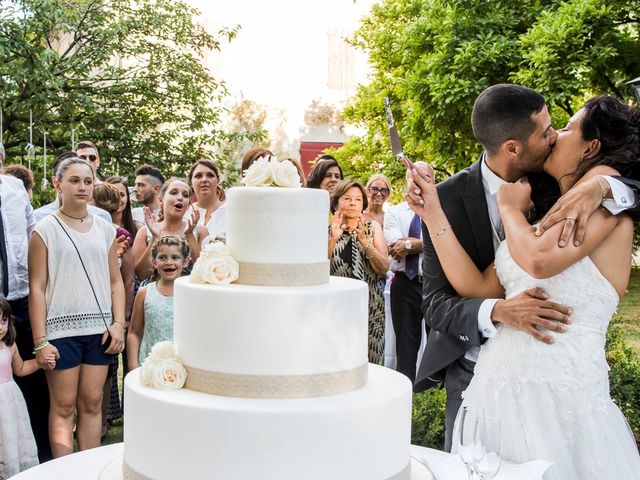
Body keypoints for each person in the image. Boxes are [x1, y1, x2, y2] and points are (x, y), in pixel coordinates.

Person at [409, 94, 640, 478]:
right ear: (512, 147)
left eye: (565, 128)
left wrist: (509, 210)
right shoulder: (554, 197)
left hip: (558, 397)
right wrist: (431, 210)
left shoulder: (602, 195)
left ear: (592, 147)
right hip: (492, 392)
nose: (554, 136)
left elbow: (536, 260)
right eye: (551, 129)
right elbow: (473, 286)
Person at [28, 157, 126, 457]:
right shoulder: (44, 230)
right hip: (59, 333)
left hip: (100, 331)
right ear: (58, 184)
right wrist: (40, 341)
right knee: (63, 406)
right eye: (74, 180)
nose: (82, 187)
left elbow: (115, 282)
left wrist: (118, 323)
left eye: (87, 180)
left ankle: (87, 469)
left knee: (92, 403)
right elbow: (37, 288)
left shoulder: (105, 228)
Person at [0, 143, 52, 462]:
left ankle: (38, 454)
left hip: (20, 298)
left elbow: (33, 235)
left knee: (34, 383)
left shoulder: (16, 187)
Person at [329, 180, 389, 364]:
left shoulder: (372, 228)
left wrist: (364, 242)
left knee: (371, 357)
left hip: (370, 304)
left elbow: (383, 267)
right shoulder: (326, 232)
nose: (353, 203)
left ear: (363, 204)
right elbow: (319, 267)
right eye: (347, 198)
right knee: (338, 355)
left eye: (357, 199)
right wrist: (334, 239)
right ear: (336, 202)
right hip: (336, 306)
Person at [0, 298, 55, 477]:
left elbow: (21, 368)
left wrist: (41, 363)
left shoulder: (9, 345)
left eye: (3, 320)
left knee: (10, 436)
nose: (1, 326)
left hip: (10, 402)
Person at [384, 168, 424, 384]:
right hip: (404, 286)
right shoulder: (394, 213)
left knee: (439, 343)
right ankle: (405, 393)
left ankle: (433, 393)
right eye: (414, 177)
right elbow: (395, 246)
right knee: (406, 347)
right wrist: (423, 244)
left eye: (425, 178)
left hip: (434, 285)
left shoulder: (441, 213)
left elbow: (443, 243)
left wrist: (412, 244)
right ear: (407, 181)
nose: (419, 183)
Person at [127, 236, 190, 369]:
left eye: (175, 257)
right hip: (150, 363)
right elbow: (134, 332)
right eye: (162, 257)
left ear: (185, 262)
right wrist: (133, 365)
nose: (168, 262)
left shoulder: (191, 294)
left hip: (182, 364)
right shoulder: (144, 292)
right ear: (154, 262)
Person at [132, 178, 206, 281]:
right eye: (174, 193)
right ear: (161, 199)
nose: (180, 197)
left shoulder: (200, 231)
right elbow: (141, 275)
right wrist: (155, 238)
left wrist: (189, 235)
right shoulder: (145, 231)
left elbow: (204, 271)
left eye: (185, 195)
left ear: (189, 204)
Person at [33, 152, 112, 224]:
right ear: (56, 182)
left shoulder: (102, 217)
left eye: (88, 182)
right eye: (74, 181)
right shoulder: (38, 218)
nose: (82, 188)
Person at [187, 160, 226, 243]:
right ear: (191, 182)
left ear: (218, 181)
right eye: (198, 176)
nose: (204, 180)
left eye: (210, 175)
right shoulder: (185, 213)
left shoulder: (230, 212)